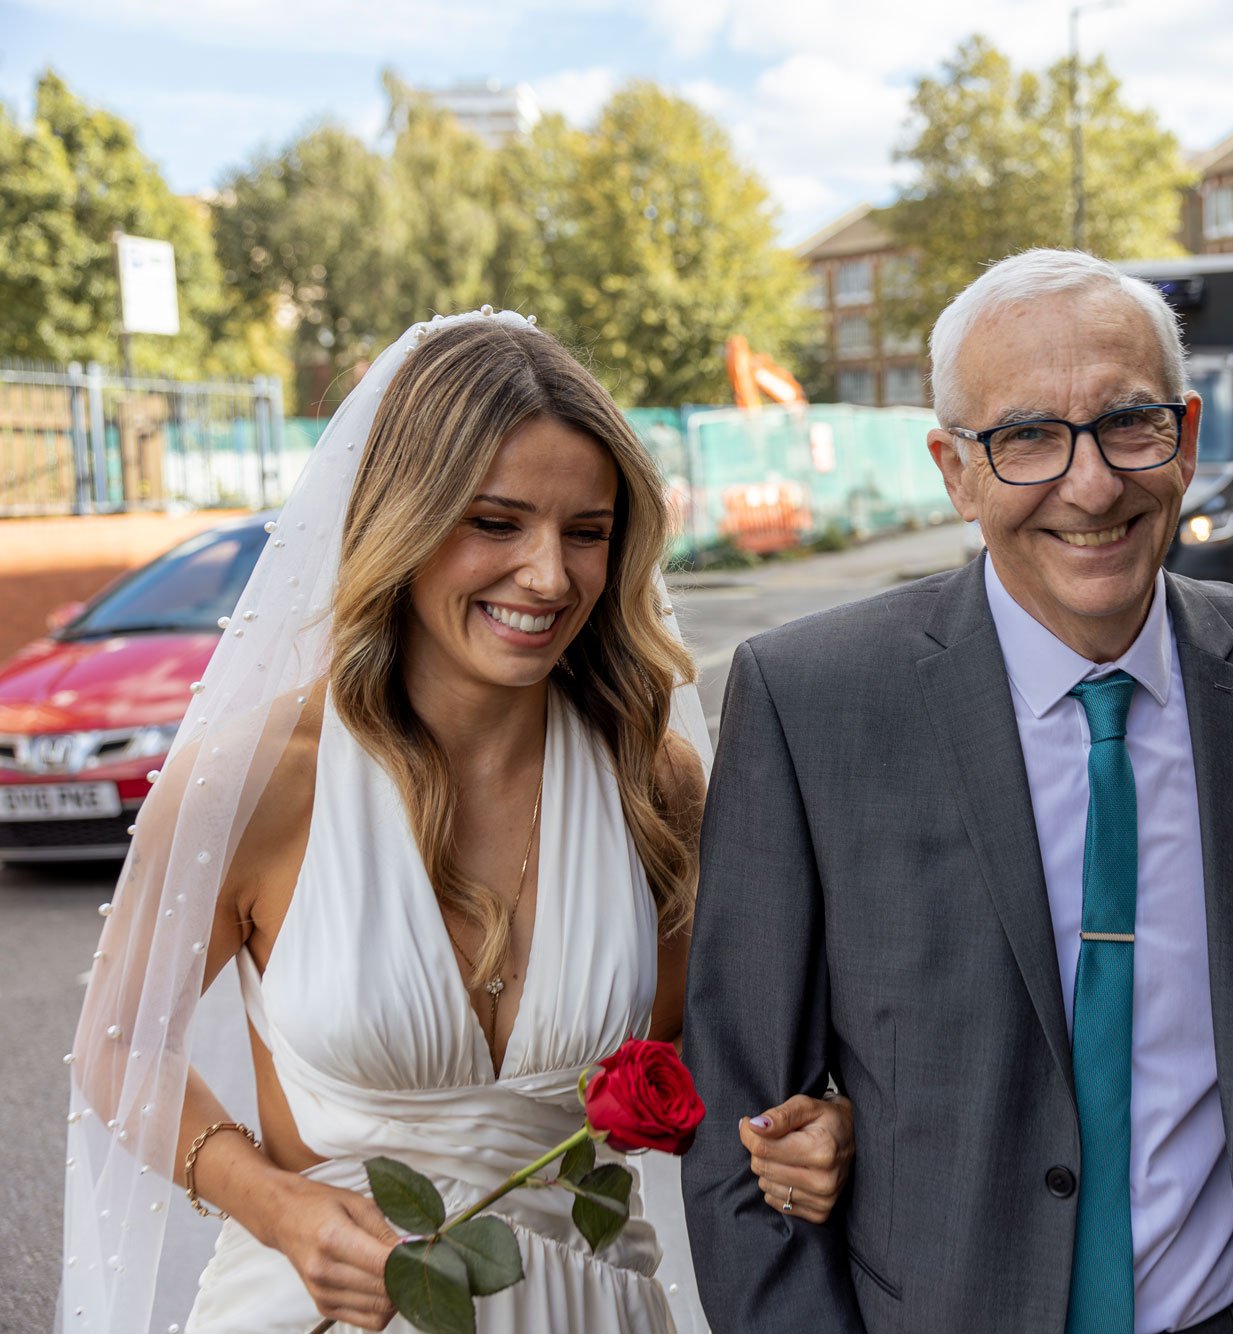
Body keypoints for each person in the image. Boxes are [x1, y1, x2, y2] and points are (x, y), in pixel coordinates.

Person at [59, 310, 854, 1334]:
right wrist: (277, 1204)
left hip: (592, 1307)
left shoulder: (654, 785)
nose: (548, 574)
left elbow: (734, 1067)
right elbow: (118, 1041)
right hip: (314, 1309)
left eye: (586, 531)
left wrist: (815, 1125)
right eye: (495, 521)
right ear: (405, 517)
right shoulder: (257, 778)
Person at [682, 249, 1233, 1333]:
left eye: (1126, 422)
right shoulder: (808, 701)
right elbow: (742, 1129)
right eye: (1026, 438)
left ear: (1184, 439)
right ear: (955, 471)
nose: (1089, 483)